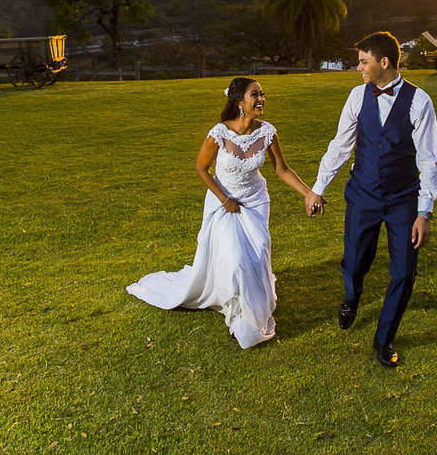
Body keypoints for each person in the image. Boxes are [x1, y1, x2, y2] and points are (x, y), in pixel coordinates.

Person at [127, 77, 320, 348]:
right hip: (223, 201)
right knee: (236, 260)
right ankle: (237, 315)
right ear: (240, 102)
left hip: (255, 201)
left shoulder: (267, 132)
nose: (261, 99)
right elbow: (201, 168)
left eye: (263, 94)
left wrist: (309, 193)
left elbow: (282, 170)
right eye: (255, 95)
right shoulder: (219, 133)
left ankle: (253, 301)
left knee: (259, 249)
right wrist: (224, 198)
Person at [306, 32, 437, 367]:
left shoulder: (419, 101)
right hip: (363, 194)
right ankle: (352, 297)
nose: (358, 68)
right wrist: (317, 187)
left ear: (383, 62)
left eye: (363, 61)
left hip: (403, 200)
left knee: (404, 273)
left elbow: (430, 159)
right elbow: (340, 146)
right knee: (354, 262)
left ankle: (385, 339)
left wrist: (424, 212)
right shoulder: (356, 96)